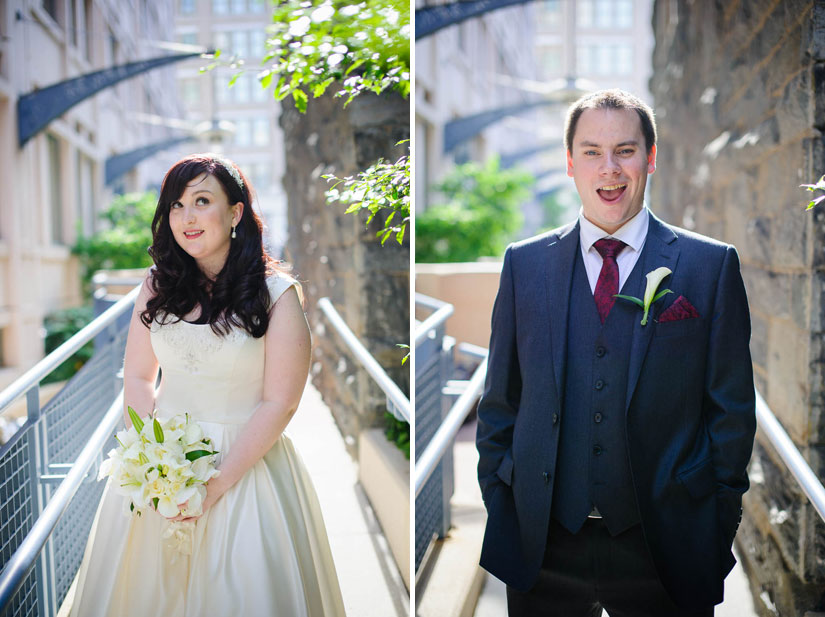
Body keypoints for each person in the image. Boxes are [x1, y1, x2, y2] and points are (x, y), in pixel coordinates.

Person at [476, 89, 756, 616]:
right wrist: (503, 502)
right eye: (591, 151)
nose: (610, 168)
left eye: (625, 150)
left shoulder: (709, 266)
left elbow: (732, 410)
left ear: (650, 157)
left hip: (667, 545)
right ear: (569, 163)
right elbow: (501, 402)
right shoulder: (524, 265)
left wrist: (718, 523)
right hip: (543, 546)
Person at [70, 154, 346, 617]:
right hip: (162, 466)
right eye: (176, 205)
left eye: (202, 201)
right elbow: (139, 376)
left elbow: (281, 403)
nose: (187, 217)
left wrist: (212, 487)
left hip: (244, 468)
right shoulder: (157, 284)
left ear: (235, 213)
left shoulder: (277, 295)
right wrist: (150, 463)